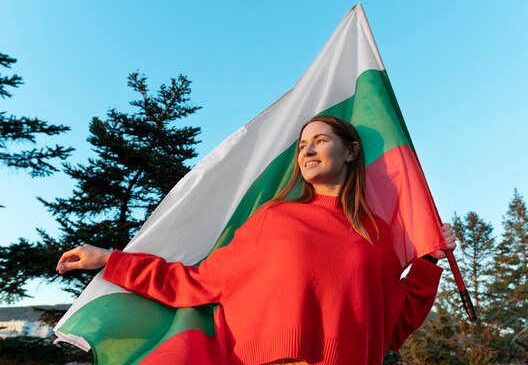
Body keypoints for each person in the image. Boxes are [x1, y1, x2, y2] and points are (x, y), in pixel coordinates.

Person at [57, 115, 456, 365]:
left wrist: (429, 261)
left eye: (320, 140)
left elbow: (393, 323)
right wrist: (110, 260)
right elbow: (196, 282)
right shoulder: (275, 217)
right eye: (302, 145)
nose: (307, 149)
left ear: (351, 152)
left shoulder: (377, 233)